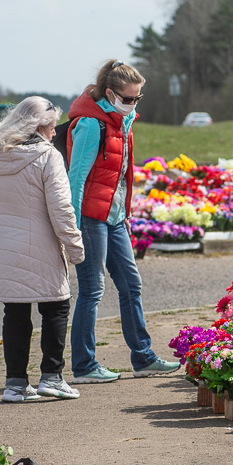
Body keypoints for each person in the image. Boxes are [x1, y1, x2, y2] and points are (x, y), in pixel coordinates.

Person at [66, 60, 179, 383]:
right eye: (127, 98)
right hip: (90, 218)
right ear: (110, 93)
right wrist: (72, 226)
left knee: (131, 284)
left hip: (114, 217)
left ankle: (142, 357)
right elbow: (76, 179)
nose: (132, 104)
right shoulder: (91, 124)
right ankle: (84, 366)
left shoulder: (122, 123)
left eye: (137, 99)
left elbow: (121, 178)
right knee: (92, 289)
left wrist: (125, 216)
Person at [0, 97, 85, 402]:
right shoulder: (48, 157)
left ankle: (15, 384)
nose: (55, 132)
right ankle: (52, 377)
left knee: (15, 312)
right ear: (38, 127)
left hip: (1, 244)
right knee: (56, 306)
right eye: (50, 126)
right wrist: (76, 249)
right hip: (41, 244)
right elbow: (61, 210)